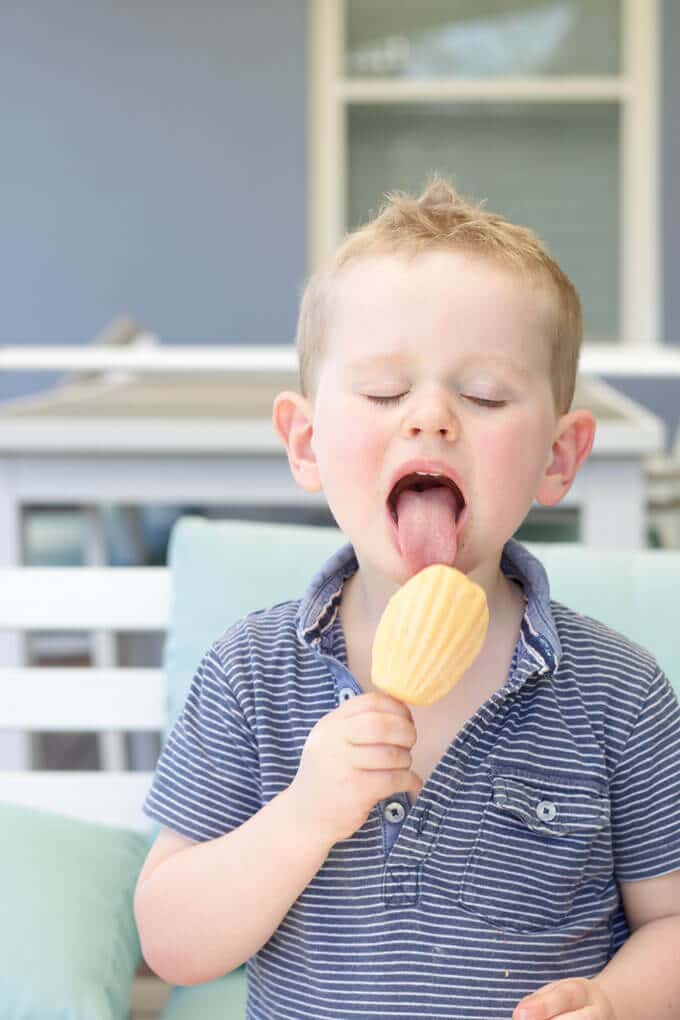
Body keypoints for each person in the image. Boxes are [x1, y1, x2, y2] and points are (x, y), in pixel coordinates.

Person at [134, 177, 680, 1020]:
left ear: (559, 459)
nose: (430, 418)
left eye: (486, 396)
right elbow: (171, 942)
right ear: (307, 444)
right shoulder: (252, 675)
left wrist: (613, 1001)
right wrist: (303, 816)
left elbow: (671, 921)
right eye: (386, 393)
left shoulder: (619, 694)